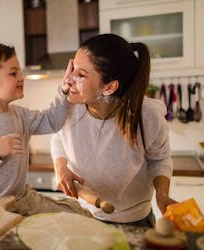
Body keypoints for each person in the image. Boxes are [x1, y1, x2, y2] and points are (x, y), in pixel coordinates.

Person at [0, 42, 91, 217]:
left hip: (20, 202)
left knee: (75, 214)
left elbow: (52, 121)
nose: (21, 77)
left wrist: (63, 90)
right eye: (13, 73)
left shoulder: (20, 115)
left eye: (20, 72)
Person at [50, 33, 177, 227]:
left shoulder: (147, 115)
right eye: (72, 68)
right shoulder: (66, 105)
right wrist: (60, 166)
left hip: (136, 222)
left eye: (81, 74)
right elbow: (59, 137)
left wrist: (161, 195)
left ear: (109, 87)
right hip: (83, 217)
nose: (68, 80)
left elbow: (159, 159)